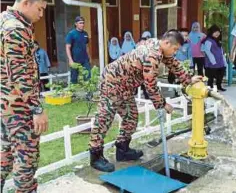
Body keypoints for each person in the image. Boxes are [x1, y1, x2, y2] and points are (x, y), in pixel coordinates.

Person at [89, 30, 202, 172]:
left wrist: (188, 79)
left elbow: (173, 63)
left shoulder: (159, 46)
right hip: (112, 82)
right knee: (104, 118)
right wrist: (162, 104)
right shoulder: (152, 55)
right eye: (175, 49)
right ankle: (95, 156)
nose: (175, 52)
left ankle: (122, 150)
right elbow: (150, 84)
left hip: (126, 86)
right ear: (167, 43)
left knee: (131, 117)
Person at [0, 0, 50, 192]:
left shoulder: (4, 19)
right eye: (40, 9)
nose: (41, 15)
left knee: (5, 156)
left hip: (5, 105)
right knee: (26, 163)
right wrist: (37, 109)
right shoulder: (16, 29)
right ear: (26, 3)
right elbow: (20, 75)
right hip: (19, 108)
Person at [65, 16, 90, 84]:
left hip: (85, 60)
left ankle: (89, 94)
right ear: (76, 24)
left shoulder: (85, 34)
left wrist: (88, 57)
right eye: (80, 23)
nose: (82, 24)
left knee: (88, 76)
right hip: (75, 60)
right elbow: (68, 47)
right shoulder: (71, 34)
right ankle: (73, 94)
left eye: (83, 23)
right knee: (74, 78)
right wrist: (70, 60)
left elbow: (87, 45)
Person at [202, 25, 227, 91]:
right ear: (211, 32)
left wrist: (224, 61)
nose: (217, 33)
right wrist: (213, 61)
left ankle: (219, 86)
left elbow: (221, 52)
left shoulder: (218, 40)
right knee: (210, 77)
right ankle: (210, 89)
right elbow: (207, 51)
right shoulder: (208, 41)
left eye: (218, 32)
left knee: (220, 76)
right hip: (211, 63)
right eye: (215, 32)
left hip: (220, 62)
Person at [139, 31, 152, 99]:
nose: (147, 38)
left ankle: (147, 95)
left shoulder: (151, 46)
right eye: (146, 37)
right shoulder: (139, 45)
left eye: (148, 37)